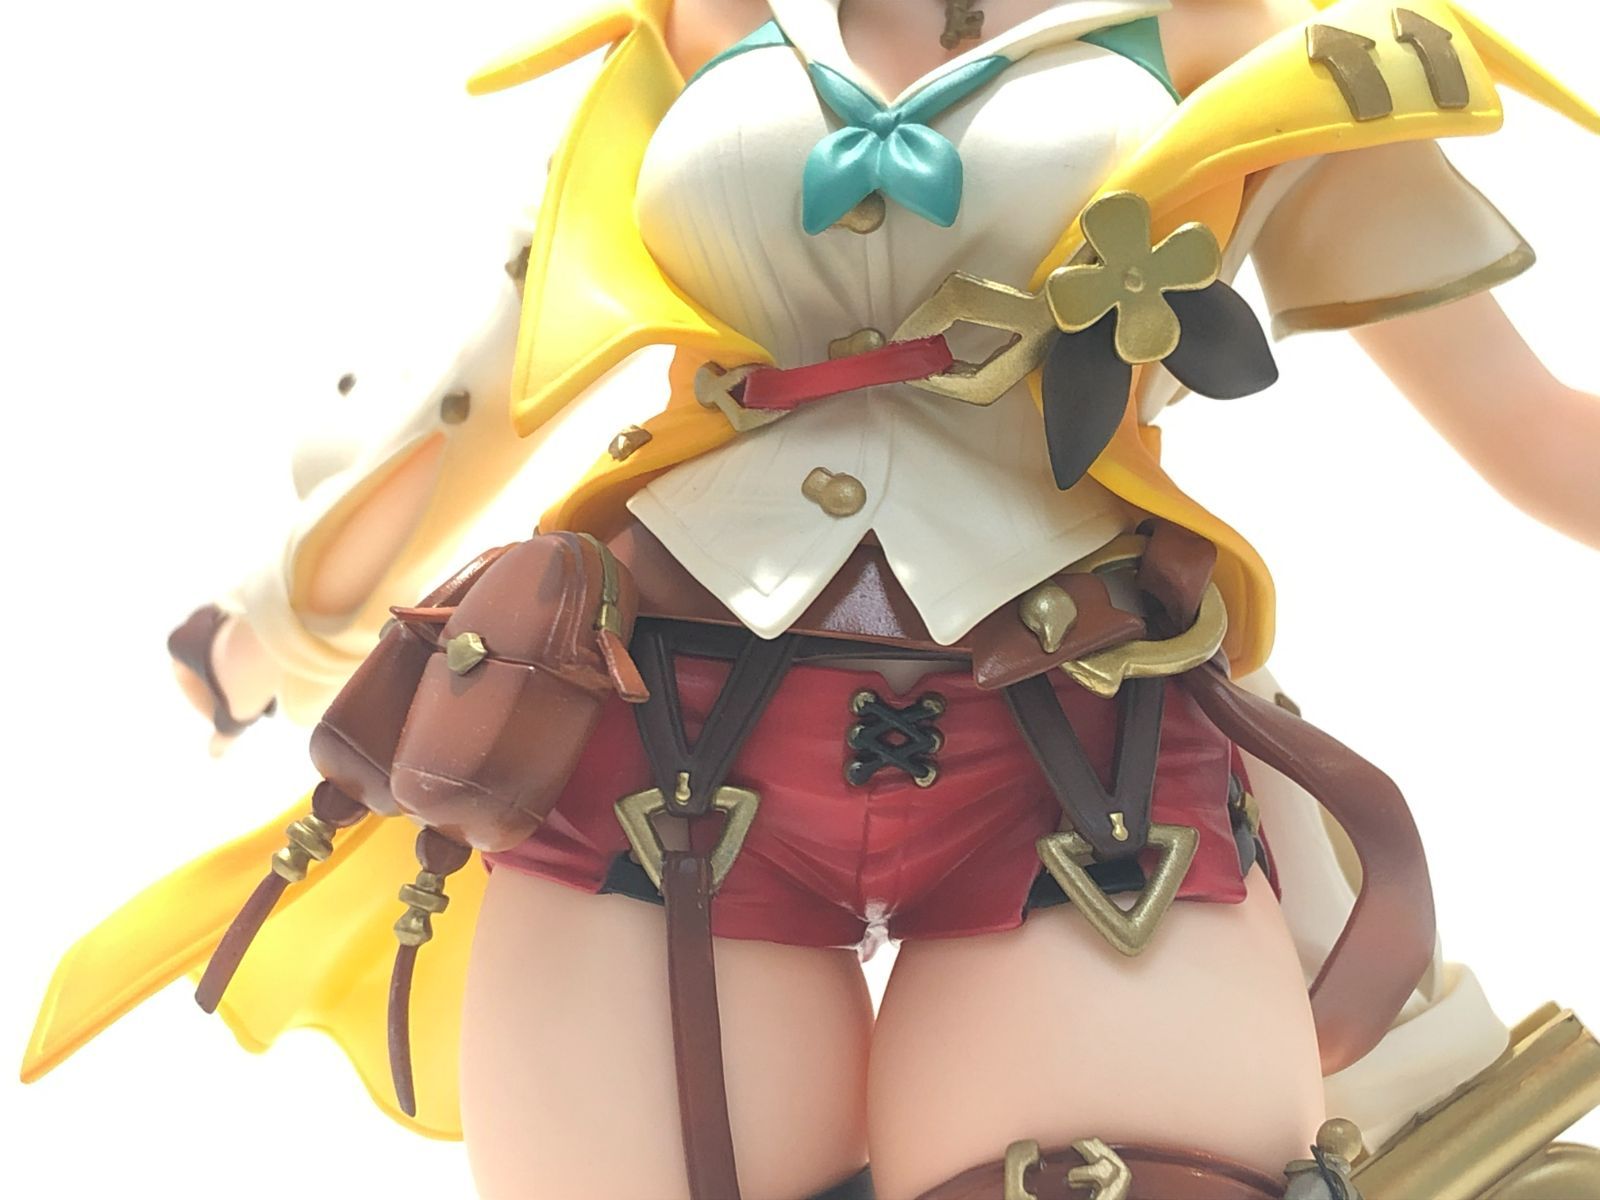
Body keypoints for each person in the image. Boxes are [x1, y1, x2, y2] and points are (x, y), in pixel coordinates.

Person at [24, 2, 1600, 1198]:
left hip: (1078, 752)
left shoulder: (1247, 42)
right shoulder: (696, 29)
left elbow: (1534, 432)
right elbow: (488, 383)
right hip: (662, 740)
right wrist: (280, 620)